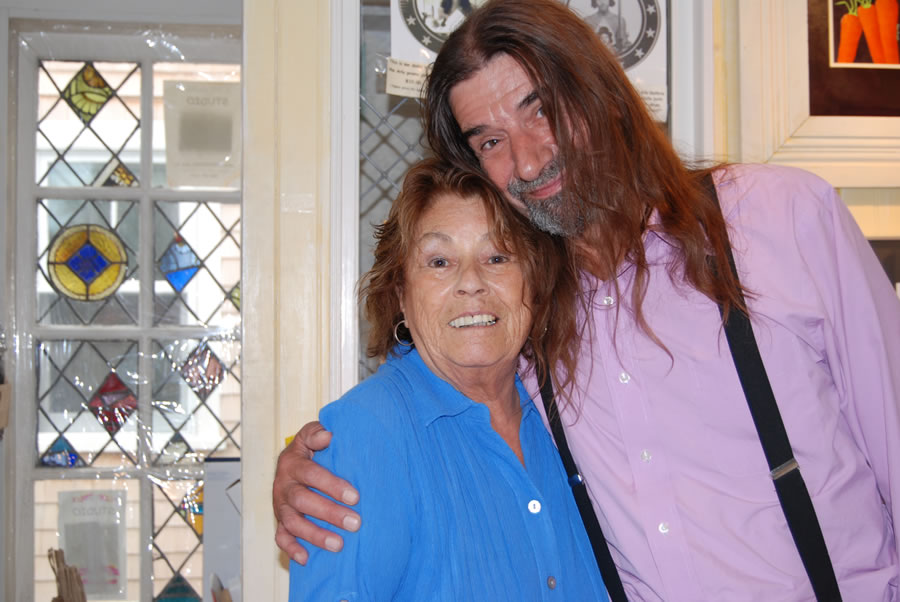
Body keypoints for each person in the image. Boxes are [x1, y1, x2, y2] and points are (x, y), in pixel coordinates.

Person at [275, 1, 900, 599]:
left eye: (541, 110)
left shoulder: (781, 219)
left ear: (600, 90)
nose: (527, 160)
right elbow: (433, 386)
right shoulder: (525, 315)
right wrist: (327, 458)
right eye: (490, 142)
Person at [289, 158, 608, 600]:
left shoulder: (570, 415)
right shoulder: (365, 433)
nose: (471, 283)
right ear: (400, 294)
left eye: (497, 257)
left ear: (533, 284)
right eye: (439, 261)